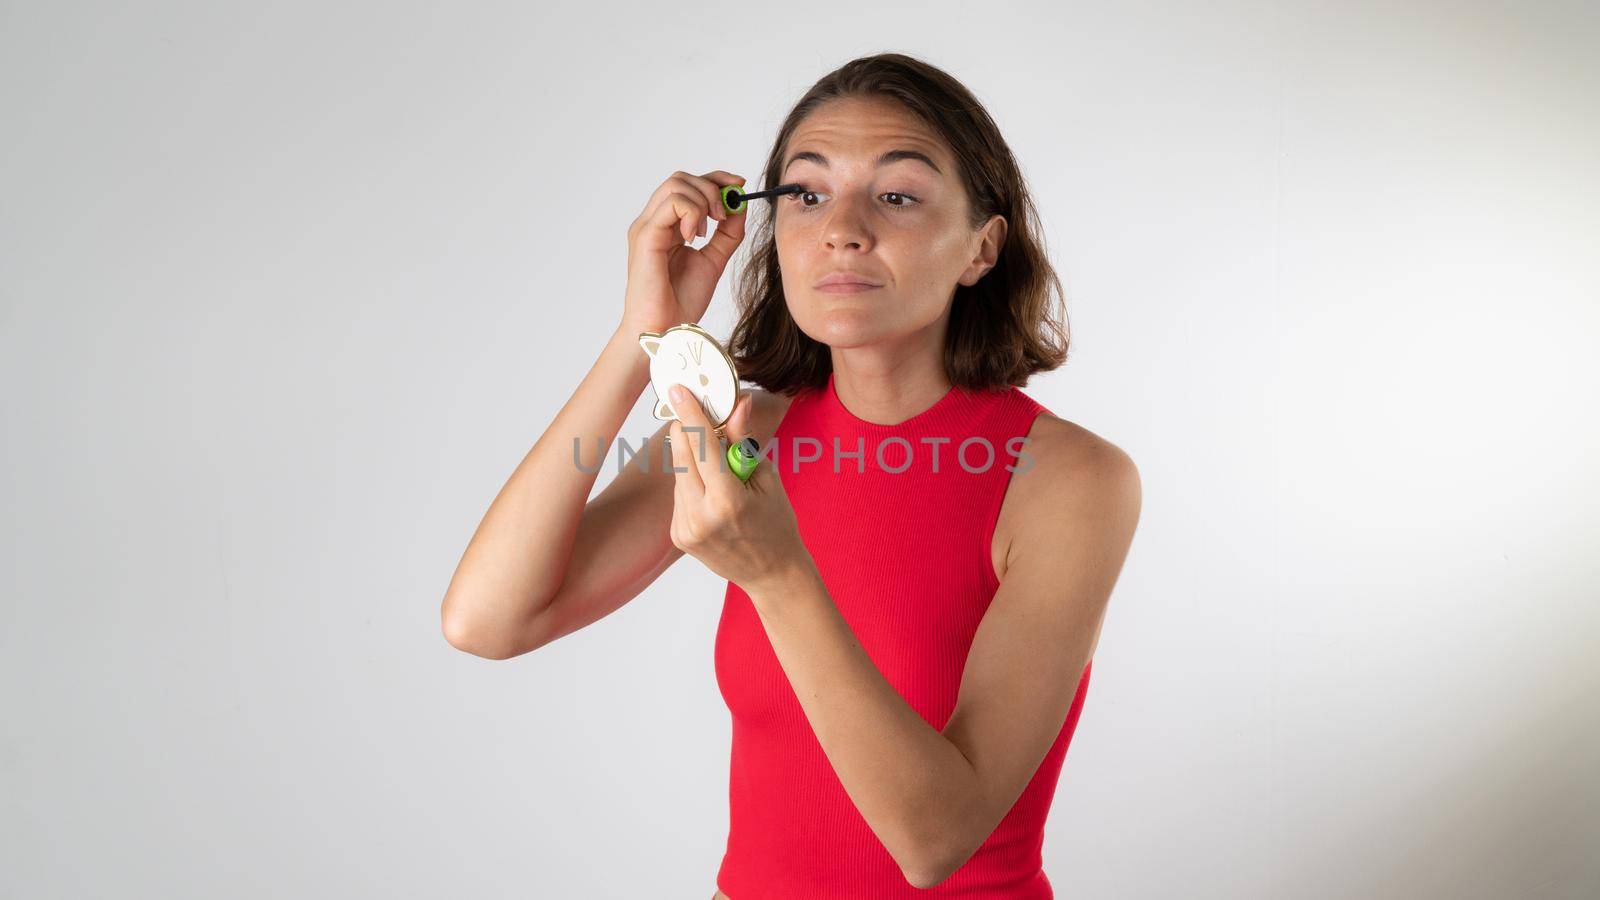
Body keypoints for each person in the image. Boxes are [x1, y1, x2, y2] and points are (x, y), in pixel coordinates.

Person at [441, 52, 1141, 899]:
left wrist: (777, 574)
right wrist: (642, 336)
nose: (842, 226)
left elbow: (936, 841)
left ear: (982, 248)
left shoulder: (1067, 479)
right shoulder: (748, 431)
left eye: (898, 194)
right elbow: (487, 620)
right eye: (807, 194)